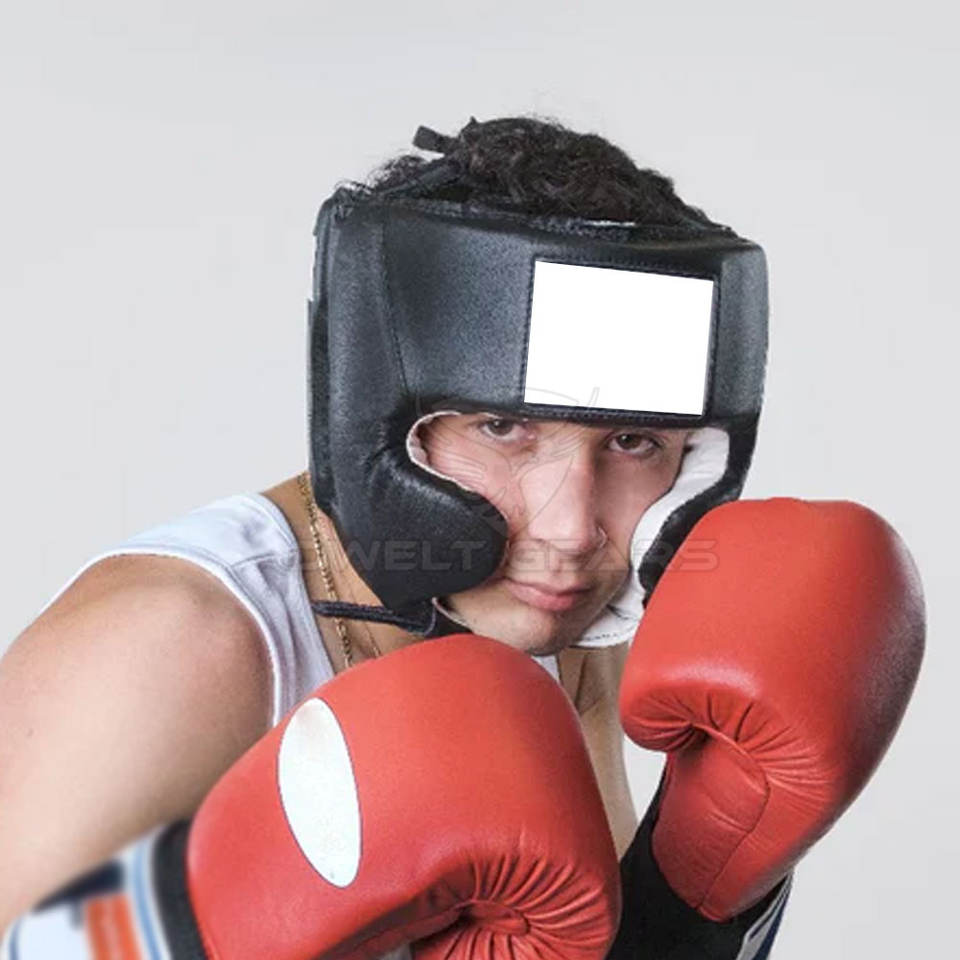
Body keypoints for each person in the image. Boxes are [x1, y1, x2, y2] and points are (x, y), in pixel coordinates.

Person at [0, 117, 924, 959]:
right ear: (379, 419)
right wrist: (214, 924)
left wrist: (701, 895)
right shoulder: (172, 644)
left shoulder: (560, 625)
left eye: (634, 443)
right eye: (502, 429)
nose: (571, 530)